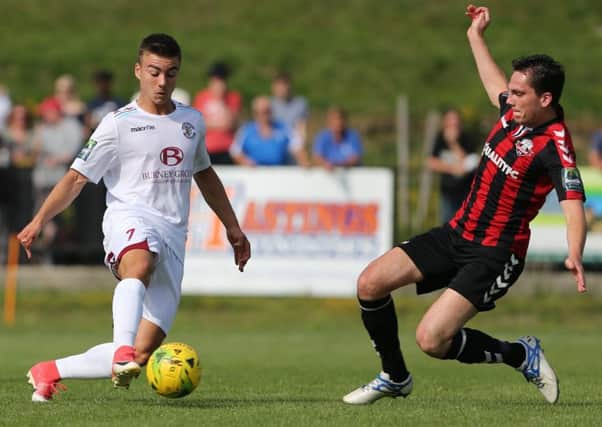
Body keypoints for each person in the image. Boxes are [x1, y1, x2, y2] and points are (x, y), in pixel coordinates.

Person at [343, 4, 586, 406]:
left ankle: (520, 354)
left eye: (520, 93)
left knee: (432, 340)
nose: (510, 98)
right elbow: (494, 84)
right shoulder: (515, 112)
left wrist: (574, 252)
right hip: (456, 232)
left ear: (546, 98)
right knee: (370, 283)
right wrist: (476, 36)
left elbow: (573, 204)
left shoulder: (555, 146)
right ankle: (394, 376)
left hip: (493, 253)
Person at [18, 33, 251, 402]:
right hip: (129, 217)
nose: (162, 82)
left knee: (141, 355)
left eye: (171, 73)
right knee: (138, 263)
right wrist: (38, 221)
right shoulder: (117, 123)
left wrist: (234, 228)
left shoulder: (192, 121)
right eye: (155, 72)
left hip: (174, 234)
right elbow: (77, 177)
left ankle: (49, 371)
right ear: (138, 70)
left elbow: (205, 174)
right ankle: (122, 350)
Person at [427, 108, 478, 222]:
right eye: (450, 120)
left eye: (456, 120)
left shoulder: (466, 139)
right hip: (447, 192)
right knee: (447, 225)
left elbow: (468, 163)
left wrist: (453, 143)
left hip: (466, 192)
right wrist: (452, 168)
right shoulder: (439, 138)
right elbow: (431, 162)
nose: (454, 123)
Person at [230, 95, 309, 166]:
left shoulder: (283, 128)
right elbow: (235, 151)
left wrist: (303, 161)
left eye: (268, 111)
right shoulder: (246, 130)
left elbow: (297, 146)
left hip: (279, 173)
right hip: (254, 175)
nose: (265, 115)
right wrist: (244, 161)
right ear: (255, 113)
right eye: (262, 112)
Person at [192, 61, 242, 164]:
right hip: (206, 149)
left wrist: (221, 99)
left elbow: (231, 123)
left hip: (228, 149)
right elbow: (198, 124)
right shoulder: (201, 97)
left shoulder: (233, 98)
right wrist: (219, 124)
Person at [270, 72, 309, 163]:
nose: (281, 89)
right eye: (278, 85)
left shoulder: (300, 104)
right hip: (275, 144)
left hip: (294, 146)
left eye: (284, 85)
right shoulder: (269, 104)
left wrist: (300, 145)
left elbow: (302, 127)